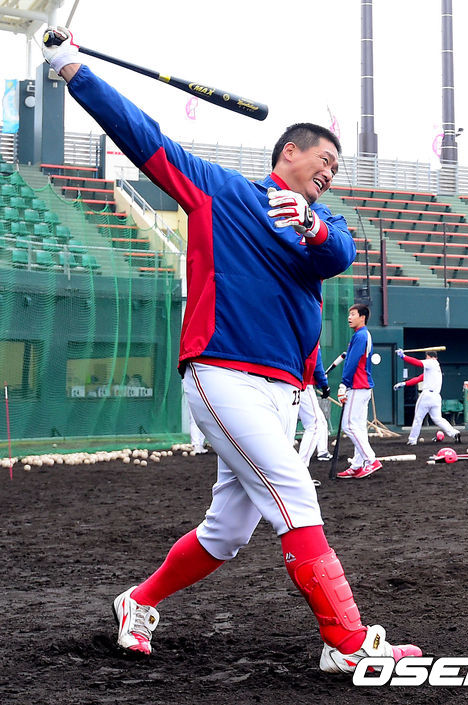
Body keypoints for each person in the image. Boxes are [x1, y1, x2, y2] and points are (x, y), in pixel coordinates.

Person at [42, 27, 421, 676]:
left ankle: (138, 602)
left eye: (336, 170)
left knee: (227, 532)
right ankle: (348, 642)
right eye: (324, 159)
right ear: (290, 151)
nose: (330, 172)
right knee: (296, 495)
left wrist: (309, 222)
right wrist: (75, 70)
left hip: (282, 394)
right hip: (225, 377)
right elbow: (144, 137)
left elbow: (338, 253)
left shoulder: (320, 227)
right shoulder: (222, 191)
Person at [336, 304, 382, 479]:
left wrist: (343, 385)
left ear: (362, 317)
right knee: (359, 428)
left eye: (353, 314)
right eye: (349, 314)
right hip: (363, 386)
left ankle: (371, 460)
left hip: (357, 386)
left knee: (348, 426)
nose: (349, 317)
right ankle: (357, 466)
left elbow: (352, 362)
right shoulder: (362, 334)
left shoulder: (361, 335)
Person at [394, 350, 461, 445]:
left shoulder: (431, 362)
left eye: (426, 357)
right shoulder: (435, 368)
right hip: (436, 397)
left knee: (418, 418)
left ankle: (412, 440)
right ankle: (454, 433)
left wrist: (403, 356)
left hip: (427, 396)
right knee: (438, 418)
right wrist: (404, 383)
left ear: (429, 356)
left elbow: (417, 362)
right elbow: (419, 378)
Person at [297, 349, 332, 465]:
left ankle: (322, 452)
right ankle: (301, 465)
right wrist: (323, 384)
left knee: (320, 421)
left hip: (287, 382)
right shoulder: (312, 338)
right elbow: (316, 361)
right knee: (315, 425)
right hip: (303, 384)